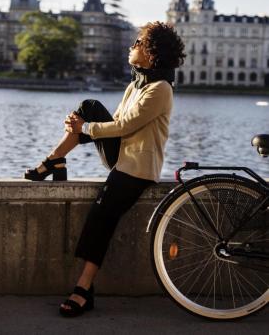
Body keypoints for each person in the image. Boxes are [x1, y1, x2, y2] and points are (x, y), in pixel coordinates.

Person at [23, 21, 186, 317]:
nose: (131, 46)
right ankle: (53, 160)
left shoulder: (161, 88)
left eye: (137, 43)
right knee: (88, 105)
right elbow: (116, 127)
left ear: (151, 53)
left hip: (138, 167)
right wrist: (82, 126)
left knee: (101, 217)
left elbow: (125, 126)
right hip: (121, 155)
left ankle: (84, 287)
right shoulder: (135, 84)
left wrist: (83, 128)